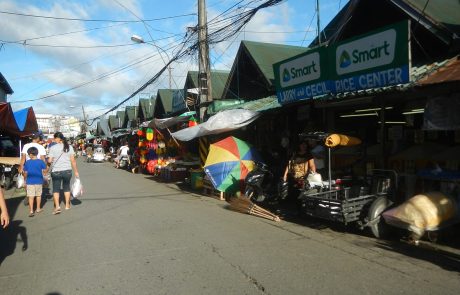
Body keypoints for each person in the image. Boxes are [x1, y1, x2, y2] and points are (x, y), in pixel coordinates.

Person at [48, 132, 79, 215]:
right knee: (66, 188)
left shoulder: (53, 147)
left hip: (56, 171)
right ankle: (67, 205)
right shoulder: (69, 147)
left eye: (55, 138)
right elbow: (73, 161)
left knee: (56, 189)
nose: (54, 140)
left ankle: (57, 207)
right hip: (67, 171)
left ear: (58, 138)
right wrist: (76, 172)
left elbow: (50, 161)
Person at [23, 147, 47, 217]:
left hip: (29, 181)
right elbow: (45, 171)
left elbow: (25, 173)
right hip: (39, 181)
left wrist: (25, 180)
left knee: (31, 196)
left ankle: (31, 210)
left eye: (28, 154)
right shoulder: (41, 161)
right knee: (38, 195)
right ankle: (38, 208)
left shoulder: (27, 162)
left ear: (31, 154)